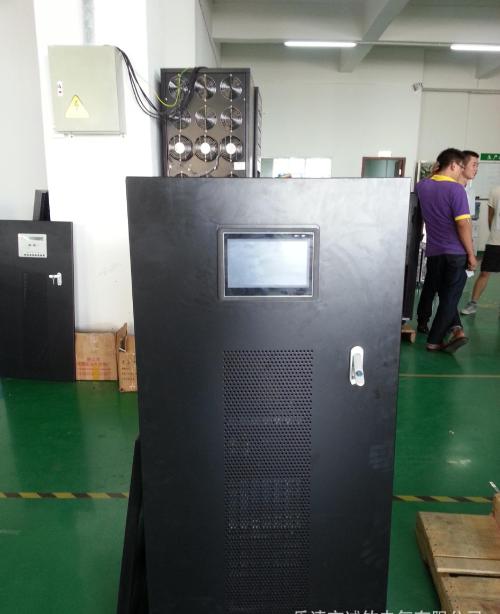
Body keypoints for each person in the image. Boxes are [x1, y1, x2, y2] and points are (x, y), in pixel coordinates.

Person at [415, 148, 477, 352]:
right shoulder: (456, 190)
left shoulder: (422, 186)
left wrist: (435, 171)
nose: (461, 171)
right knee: (450, 299)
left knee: (442, 293)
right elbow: (463, 224)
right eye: (461, 166)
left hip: (435, 252)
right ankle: (434, 340)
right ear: (453, 165)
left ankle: (455, 330)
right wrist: (471, 253)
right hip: (456, 252)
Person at [461, 184, 500, 315]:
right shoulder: (496, 191)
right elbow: (490, 217)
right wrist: (494, 232)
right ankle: (473, 303)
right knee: (485, 272)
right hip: (495, 241)